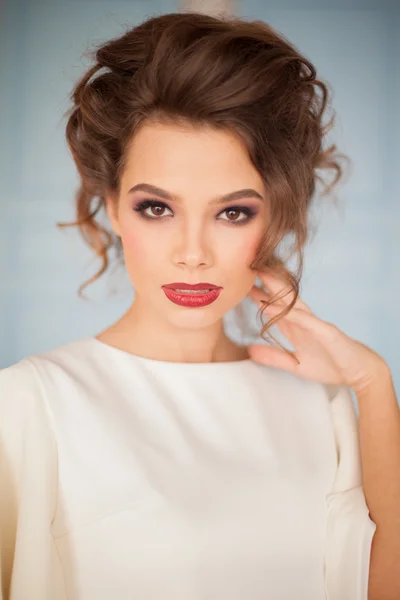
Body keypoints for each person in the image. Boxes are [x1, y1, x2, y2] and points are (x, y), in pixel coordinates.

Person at [1, 10, 398, 600]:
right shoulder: (29, 405)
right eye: (156, 208)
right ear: (111, 205)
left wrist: (373, 382)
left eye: (233, 212)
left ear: (274, 218)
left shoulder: (332, 406)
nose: (193, 254)